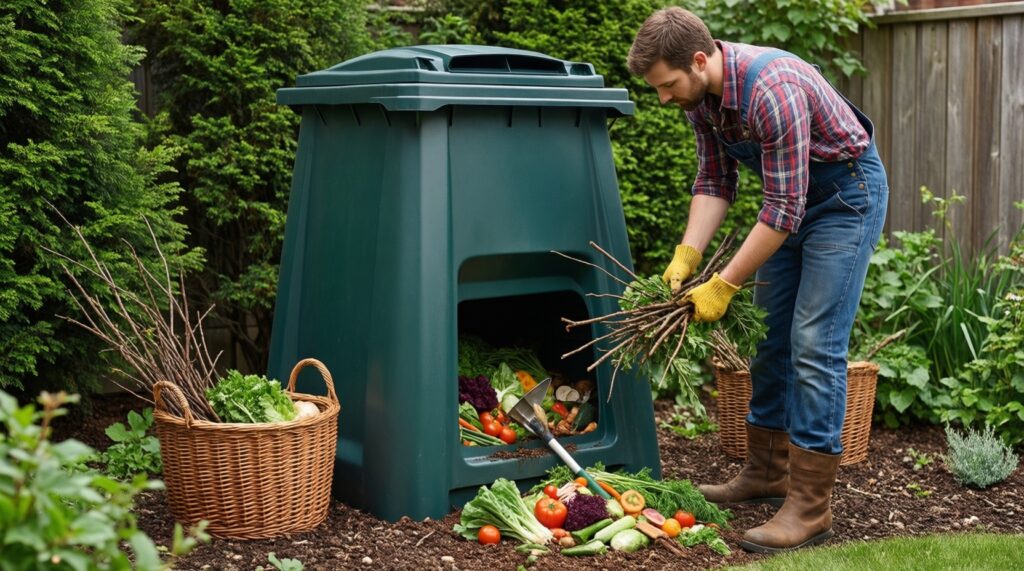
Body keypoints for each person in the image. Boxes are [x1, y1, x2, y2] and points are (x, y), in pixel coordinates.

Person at [627, 7, 888, 553]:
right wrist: (686, 256)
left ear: (700, 61)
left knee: (814, 343)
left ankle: (812, 508)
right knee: (770, 339)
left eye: (669, 85)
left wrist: (722, 284)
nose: (665, 99)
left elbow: (785, 208)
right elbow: (714, 180)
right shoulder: (704, 100)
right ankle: (768, 472)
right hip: (788, 207)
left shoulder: (772, 87)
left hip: (845, 200)